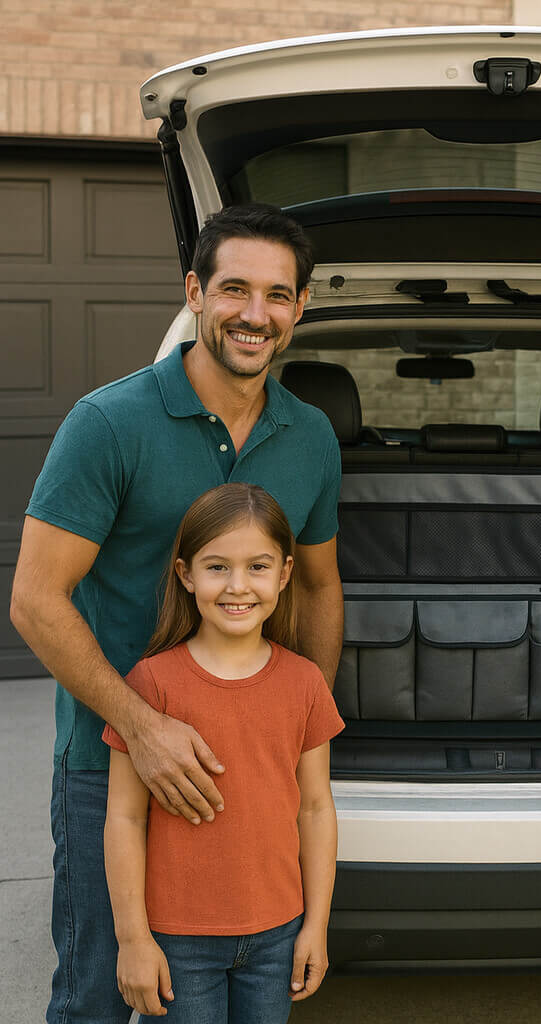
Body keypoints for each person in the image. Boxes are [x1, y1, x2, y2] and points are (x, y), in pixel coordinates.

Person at [9, 203, 345, 1024]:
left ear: (300, 307)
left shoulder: (311, 436)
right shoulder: (108, 423)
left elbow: (317, 587)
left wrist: (299, 720)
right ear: (195, 292)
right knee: (97, 997)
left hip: (247, 780)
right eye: (234, 289)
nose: (255, 314)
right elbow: (35, 599)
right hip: (110, 765)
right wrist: (143, 728)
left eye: (277, 295)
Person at [103, 483, 343, 1021]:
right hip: (178, 942)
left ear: (284, 573)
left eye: (257, 567)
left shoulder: (305, 683)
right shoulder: (151, 685)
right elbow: (124, 818)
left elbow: (315, 808)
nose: (238, 586)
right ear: (186, 574)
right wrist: (133, 939)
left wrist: (317, 925)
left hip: (279, 933)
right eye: (217, 567)